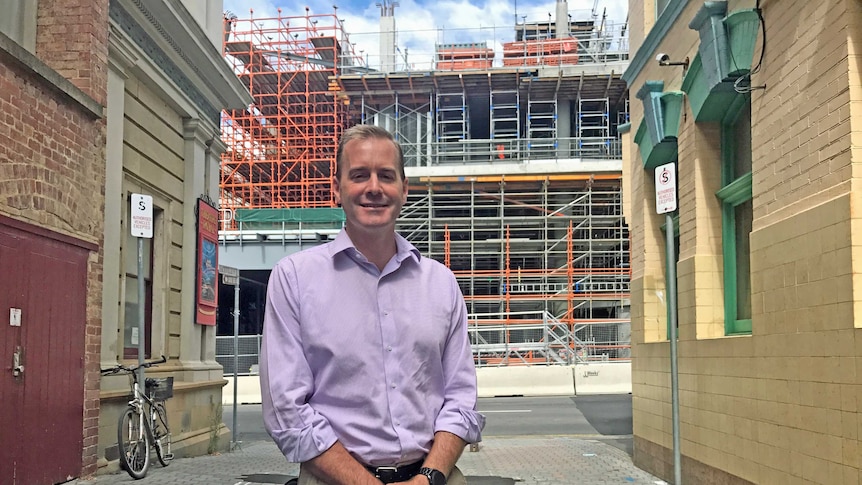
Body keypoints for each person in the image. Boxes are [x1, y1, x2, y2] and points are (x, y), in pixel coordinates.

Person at [260, 125, 485, 485]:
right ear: (337, 189)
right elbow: (287, 409)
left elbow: (460, 399)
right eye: (359, 175)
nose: (374, 188)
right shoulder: (294, 280)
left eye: (386, 176)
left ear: (405, 190)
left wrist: (428, 477)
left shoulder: (441, 284)